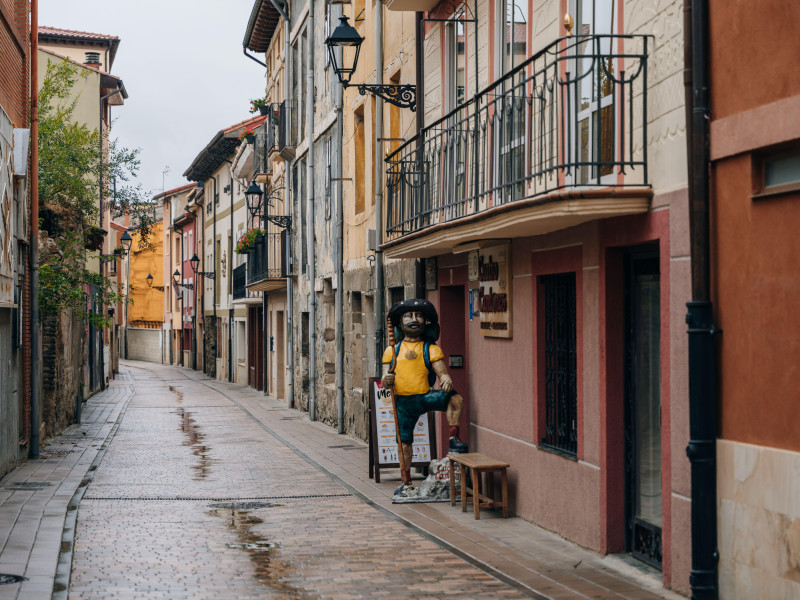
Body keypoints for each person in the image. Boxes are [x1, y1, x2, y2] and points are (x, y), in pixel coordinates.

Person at [381, 298, 468, 495]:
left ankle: (454, 437)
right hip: (403, 402)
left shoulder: (431, 349)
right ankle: (407, 481)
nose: (414, 319)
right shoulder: (392, 351)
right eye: (408, 316)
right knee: (404, 444)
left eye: (419, 315)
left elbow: (441, 371)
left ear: (426, 322)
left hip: (425, 396)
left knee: (456, 400)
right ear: (400, 323)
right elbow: (386, 375)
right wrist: (386, 378)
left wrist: (446, 379)